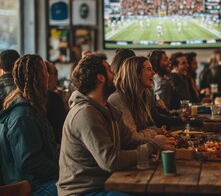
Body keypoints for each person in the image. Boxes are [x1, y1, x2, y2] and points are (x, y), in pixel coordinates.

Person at [58, 52, 174, 196]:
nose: (116, 74)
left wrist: (159, 142)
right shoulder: (85, 113)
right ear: (100, 78)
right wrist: (153, 146)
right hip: (84, 191)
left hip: (107, 182)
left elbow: (129, 141)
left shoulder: (108, 108)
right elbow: (111, 161)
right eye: (110, 70)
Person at [0, 54, 58, 195]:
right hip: (32, 186)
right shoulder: (23, 115)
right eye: (45, 72)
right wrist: (64, 169)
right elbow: (31, 163)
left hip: (36, 182)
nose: (48, 77)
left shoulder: (28, 109)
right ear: (38, 77)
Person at [108, 56, 165, 140]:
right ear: (137, 74)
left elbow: (150, 125)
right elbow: (133, 137)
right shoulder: (118, 99)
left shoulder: (146, 94)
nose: (154, 73)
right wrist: (156, 132)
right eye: (149, 69)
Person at [45, 61, 67, 146]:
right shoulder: (53, 98)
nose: (57, 78)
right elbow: (64, 124)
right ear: (46, 75)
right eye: (55, 74)